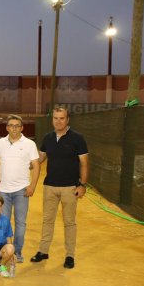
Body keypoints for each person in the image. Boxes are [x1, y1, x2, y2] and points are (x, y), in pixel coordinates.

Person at [31, 106, 89, 269]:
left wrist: (82, 184)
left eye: (61, 118)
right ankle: (43, 251)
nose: (58, 121)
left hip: (70, 188)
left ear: (67, 119)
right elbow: (40, 157)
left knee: (69, 222)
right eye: (55, 118)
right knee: (47, 220)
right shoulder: (48, 137)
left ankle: (70, 255)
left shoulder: (78, 138)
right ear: (52, 120)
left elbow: (84, 163)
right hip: (50, 186)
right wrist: (24, 164)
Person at [0, 115, 40, 263]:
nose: (14, 128)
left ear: (21, 128)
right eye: (11, 125)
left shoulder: (29, 144)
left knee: (20, 222)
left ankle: (18, 252)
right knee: (4, 222)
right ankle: (6, 252)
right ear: (7, 127)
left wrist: (32, 186)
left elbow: (37, 165)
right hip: (3, 191)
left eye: (17, 125)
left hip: (22, 190)